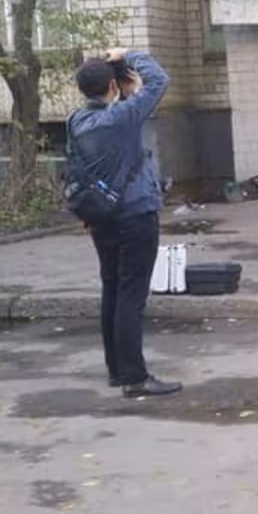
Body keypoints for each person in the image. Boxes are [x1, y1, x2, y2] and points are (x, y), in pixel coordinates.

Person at [68, 49, 182, 397]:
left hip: (101, 215)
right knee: (132, 296)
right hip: (135, 214)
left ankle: (117, 371)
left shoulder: (77, 120)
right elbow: (159, 80)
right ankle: (135, 378)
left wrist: (123, 89)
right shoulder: (122, 117)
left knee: (114, 291)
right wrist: (128, 55)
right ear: (113, 87)